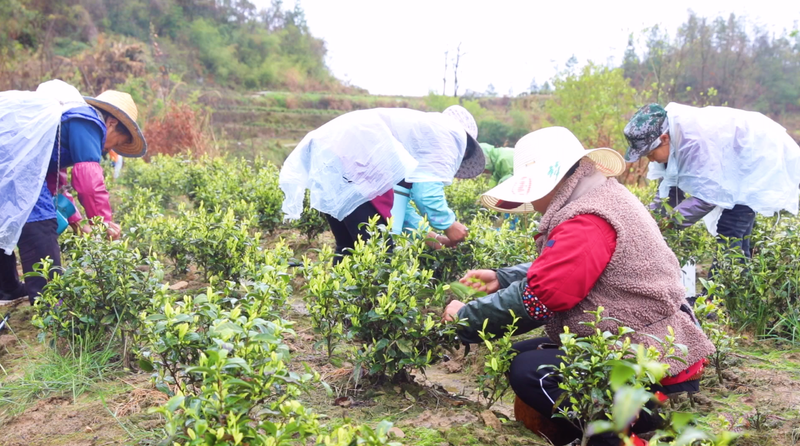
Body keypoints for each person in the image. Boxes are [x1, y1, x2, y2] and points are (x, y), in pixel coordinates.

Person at [441, 127, 715, 446]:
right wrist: (502, 278)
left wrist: (466, 318)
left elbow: (543, 296)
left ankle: (614, 438)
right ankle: (596, 428)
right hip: (651, 340)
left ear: (552, 182)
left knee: (530, 371)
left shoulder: (587, 218)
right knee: (523, 353)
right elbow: (573, 265)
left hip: (654, 355)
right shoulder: (600, 196)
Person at [0, 80, 147, 305]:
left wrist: (78, 222)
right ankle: (51, 304)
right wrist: (103, 224)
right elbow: (89, 183)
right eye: (117, 142)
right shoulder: (88, 120)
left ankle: (7, 289)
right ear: (111, 123)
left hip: (8, 159)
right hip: (12, 162)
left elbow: (55, 184)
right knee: (40, 223)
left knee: (7, 219)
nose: (109, 149)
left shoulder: (63, 120)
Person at [279, 105, 485, 263]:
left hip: (330, 150)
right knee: (380, 253)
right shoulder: (448, 135)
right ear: (465, 149)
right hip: (354, 157)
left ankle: (336, 306)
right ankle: (366, 307)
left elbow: (399, 208)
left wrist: (430, 237)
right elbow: (426, 196)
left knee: (348, 246)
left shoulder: (419, 137)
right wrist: (449, 225)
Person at [623, 103, 800, 260]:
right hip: (734, 156)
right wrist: (646, 222)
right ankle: (739, 278)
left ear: (664, 139)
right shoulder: (670, 139)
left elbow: (707, 197)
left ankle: (722, 286)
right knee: (735, 232)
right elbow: (669, 194)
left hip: (757, 152)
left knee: (731, 227)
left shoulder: (695, 143)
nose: (650, 160)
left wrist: (666, 223)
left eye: (649, 154)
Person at [480, 142, 518, 229]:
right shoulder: (496, 165)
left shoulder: (504, 158)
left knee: (511, 215)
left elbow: (508, 181)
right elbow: (494, 183)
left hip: (517, 193)